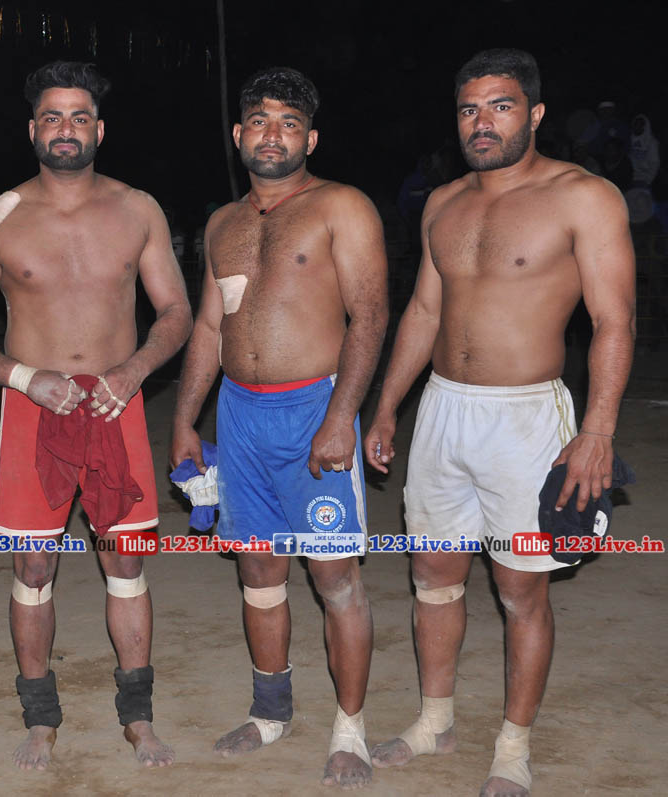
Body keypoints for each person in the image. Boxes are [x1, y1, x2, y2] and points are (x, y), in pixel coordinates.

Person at [364, 49, 635, 797]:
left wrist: (598, 431)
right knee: (433, 575)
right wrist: (386, 404)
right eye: (469, 109)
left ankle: (513, 746)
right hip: (442, 409)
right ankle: (436, 720)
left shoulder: (584, 197)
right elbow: (424, 311)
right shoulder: (442, 202)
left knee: (520, 590)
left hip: (527, 416)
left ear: (536, 113)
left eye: (501, 106)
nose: (482, 122)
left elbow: (614, 321)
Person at [0, 61, 192, 770]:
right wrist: (25, 379)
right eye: (52, 116)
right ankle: (40, 718)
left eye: (79, 116)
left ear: (99, 129)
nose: (65, 128)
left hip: (116, 403)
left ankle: (137, 716)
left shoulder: (138, 209)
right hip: (34, 409)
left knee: (126, 559)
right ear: (32, 129)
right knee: (32, 563)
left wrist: (134, 371)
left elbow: (176, 311)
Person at [170, 66, 388, 789]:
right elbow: (209, 328)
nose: (273, 135)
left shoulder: (341, 206)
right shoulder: (222, 224)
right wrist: (185, 421)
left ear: (310, 139)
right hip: (239, 415)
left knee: (334, 575)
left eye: (289, 123)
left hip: (313, 411)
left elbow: (370, 316)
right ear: (239, 134)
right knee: (259, 570)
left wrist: (341, 417)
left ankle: (350, 730)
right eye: (260, 122)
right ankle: (271, 712)